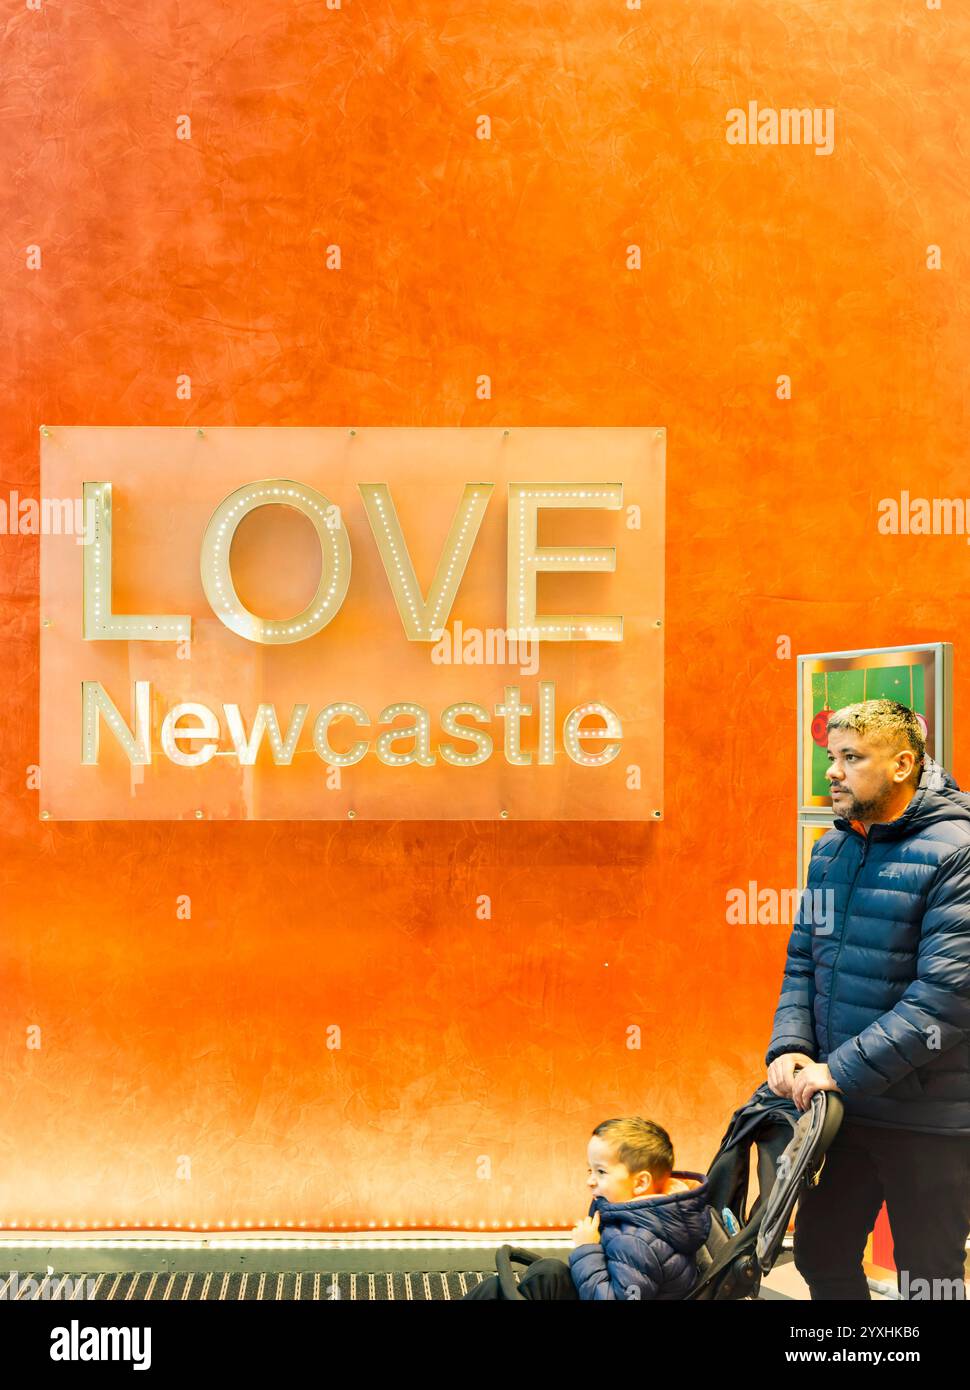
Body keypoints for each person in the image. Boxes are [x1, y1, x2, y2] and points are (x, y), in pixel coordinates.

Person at [766, 698, 970, 1299]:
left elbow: (946, 1000)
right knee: (821, 1253)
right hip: (846, 1106)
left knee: (928, 1282)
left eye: (851, 757)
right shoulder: (832, 849)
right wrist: (792, 1045)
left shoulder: (958, 850)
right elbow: (804, 959)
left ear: (903, 762)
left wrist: (838, 1070)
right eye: (832, 756)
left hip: (931, 1118)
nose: (832, 771)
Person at [462, 1116, 711, 1299]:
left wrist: (587, 1248)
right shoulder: (652, 1214)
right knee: (549, 1273)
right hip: (600, 1287)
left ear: (641, 1182)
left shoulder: (638, 1242)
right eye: (589, 1169)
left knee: (502, 1290)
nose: (589, 1180)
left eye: (601, 1171)